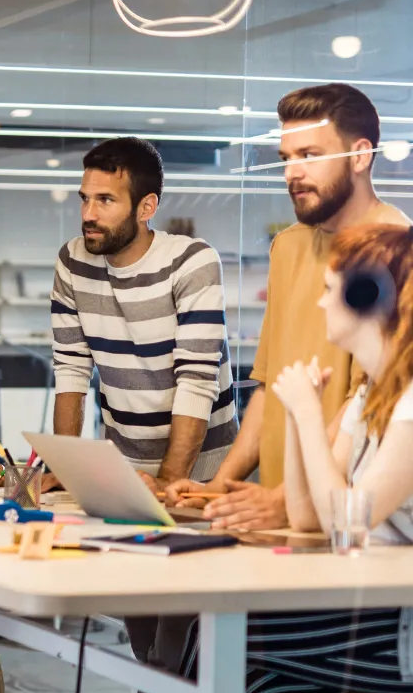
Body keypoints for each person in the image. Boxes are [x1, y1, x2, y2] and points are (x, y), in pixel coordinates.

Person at [50, 222, 413, 693]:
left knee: (227, 670)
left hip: (401, 634)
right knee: (230, 678)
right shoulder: (368, 399)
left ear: (377, 298)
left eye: (339, 283)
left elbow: (346, 520)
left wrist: (305, 417)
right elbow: (311, 514)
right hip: (365, 614)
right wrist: (308, 431)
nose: (322, 294)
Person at [49, 136, 237, 693]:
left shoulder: (193, 263)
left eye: (106, 199)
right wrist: (68, 469)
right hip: (122, 467)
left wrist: (174, 482)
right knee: (145, 638)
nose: (89, 212)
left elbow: (196, 377)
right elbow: (71, 368)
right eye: (85, 196)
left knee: (179, 640)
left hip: (205, 469)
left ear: (147, 205)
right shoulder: (74, 262)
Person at [167, 83, 411, 530]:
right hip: (280, 508)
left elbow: (371, 397)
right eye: (286, 159)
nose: (291, 174)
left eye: (310, 155)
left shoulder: (396, 252)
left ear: (360, 156)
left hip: (339, 515)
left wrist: (287, 503)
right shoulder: (288, 247)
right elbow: (267, 385)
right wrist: (222, 485)